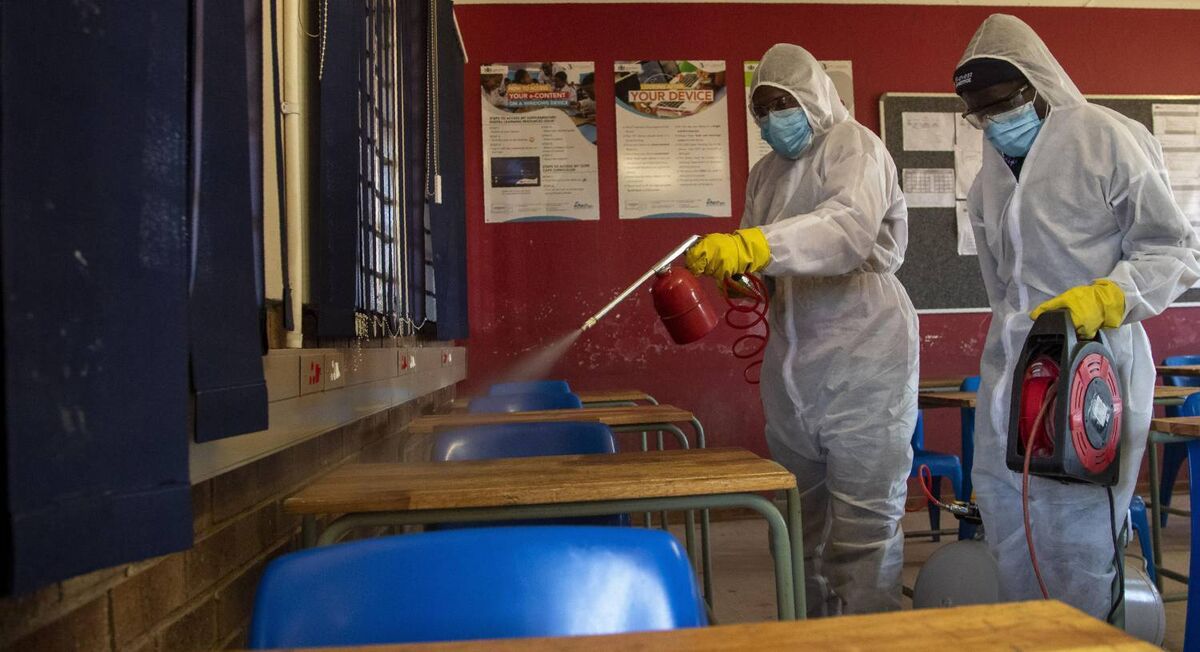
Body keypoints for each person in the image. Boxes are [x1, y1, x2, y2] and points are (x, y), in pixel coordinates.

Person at [954, 14, 1200, 620]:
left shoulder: (1105, 137)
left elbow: (1173, 249)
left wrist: (1107, 297)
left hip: (1096, 363)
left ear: (1038, 85)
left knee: (1082, 538)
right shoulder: (988, 174)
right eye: (978, 111)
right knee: (1011, 524)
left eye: (1002, 103)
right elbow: (1001, 284)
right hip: (1016, 364)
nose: (993, 122)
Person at [685, 43, 919, 616]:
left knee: (863, 528)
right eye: (759, 109)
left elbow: (848, 229)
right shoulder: (764, 173)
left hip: (866, 349)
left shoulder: (853, 146)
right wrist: (740, 273)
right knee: (795, 522)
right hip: (793, 356)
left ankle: (869, 632)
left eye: (779, 104)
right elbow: (758, 252)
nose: (769, 119)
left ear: (812, 96)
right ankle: (809, 632)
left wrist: (755, 246)